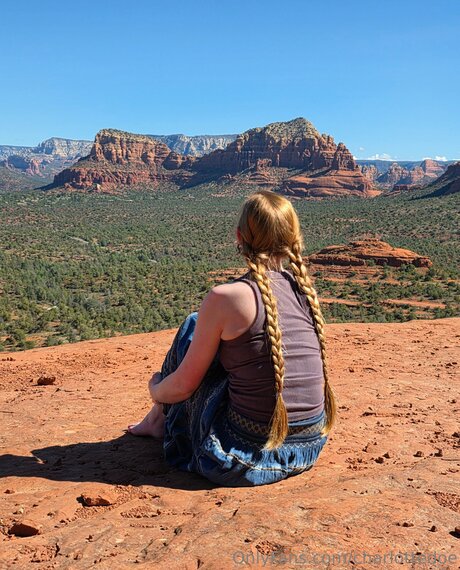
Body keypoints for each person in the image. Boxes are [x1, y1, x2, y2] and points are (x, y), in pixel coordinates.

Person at [128, 189, 337, 486]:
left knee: (193, 325)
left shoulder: (226, 297)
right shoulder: (303, 289)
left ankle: (155, 420)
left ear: (239, 237)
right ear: (294, 237)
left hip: (241, 458)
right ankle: (155, 420)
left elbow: (184, 387)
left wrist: (156, 390)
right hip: (308, 449)